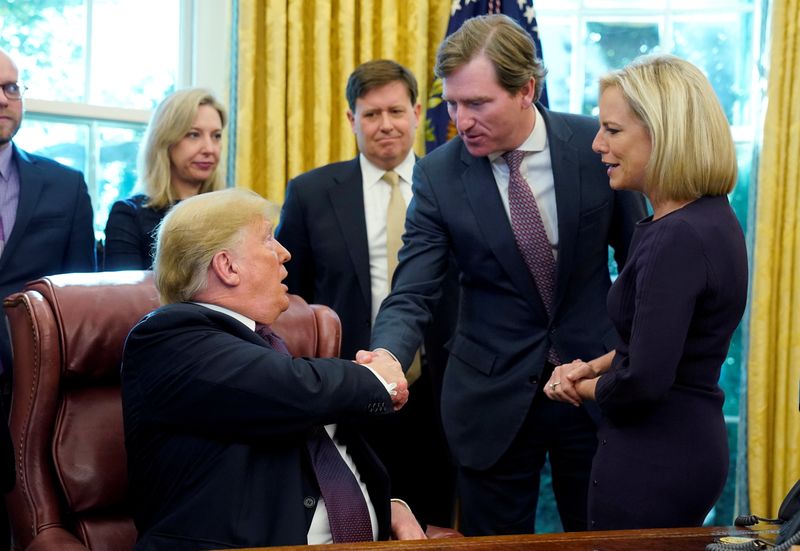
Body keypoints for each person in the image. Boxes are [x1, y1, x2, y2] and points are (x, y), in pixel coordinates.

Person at [358, 14, 648, 536]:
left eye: (476, 103)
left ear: (525, 90)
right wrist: (387, 355)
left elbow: (639, 265)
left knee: (605, 540)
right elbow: (414, 289)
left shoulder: (594, 147)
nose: (460, 120)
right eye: (450, 103)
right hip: (489, 402)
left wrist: (633, 358)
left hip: (592, 386)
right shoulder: (440, 174)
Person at [121, 188, 425, 550]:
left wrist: (388, 507)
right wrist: (377, 379)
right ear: (227, 266)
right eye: (268, 238)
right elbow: (294, 388)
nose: (285, 253)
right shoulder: (168, 338)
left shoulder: (265, 345)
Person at [544, 54, 748, 530]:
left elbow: (644, 381)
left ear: (663, 132)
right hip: (686, 445)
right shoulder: (710, 216)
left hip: (654, 461)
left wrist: (574, 387)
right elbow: (654, 344)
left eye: (612, 131)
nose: (597, 144)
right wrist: (592, 365)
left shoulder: (674, 237)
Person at [275, 59, 458, 528]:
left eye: (396, 111)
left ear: (418, 112)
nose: (385, 125)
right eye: (371, 114)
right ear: (351, 119)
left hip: (444, 387)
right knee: (359, 518)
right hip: (349, 386)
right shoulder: (311, 193)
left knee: (436, 520)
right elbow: (287, 300)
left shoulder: (458, 187)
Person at [0, 48, 95, 550]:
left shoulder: (64, 185)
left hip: (33, 396)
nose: (4, 98)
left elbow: (79, 303)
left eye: (12, 88)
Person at [104, 88, 226, 270]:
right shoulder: (129, 215)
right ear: (165, 141)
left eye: (216, 136)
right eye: (194, 134)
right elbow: (124, 297)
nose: (210, 148)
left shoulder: (231, 215)